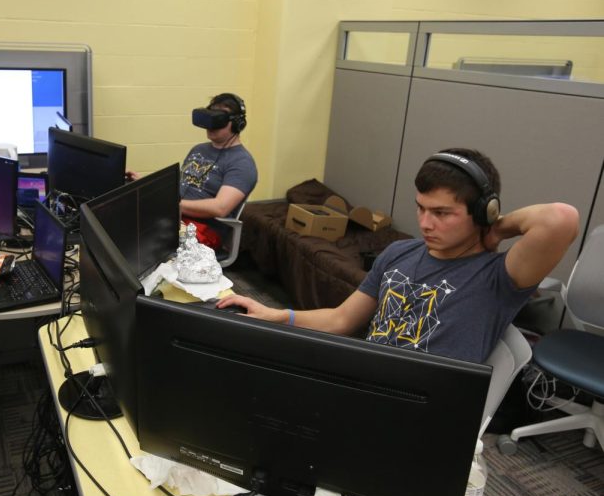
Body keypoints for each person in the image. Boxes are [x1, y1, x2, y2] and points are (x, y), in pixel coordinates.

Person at [217, 148, 580, 363]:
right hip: (367, 381)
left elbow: (560, 218)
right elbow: (342, 320)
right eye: (421, 208)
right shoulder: (399, 253)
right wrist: (277, 315)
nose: (425, 223)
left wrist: (495, 229)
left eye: (442, 213)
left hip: (423, 412)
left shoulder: (497, 276)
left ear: (483, 212)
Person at [178, 93, 257, 248]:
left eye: (218, 120)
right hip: (175, 217)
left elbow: (220, 207)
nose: (211, 126)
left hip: (204, 230)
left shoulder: (242, 163)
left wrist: (175, 205)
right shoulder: (198, 149)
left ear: (237, 124)